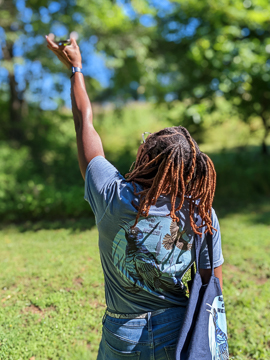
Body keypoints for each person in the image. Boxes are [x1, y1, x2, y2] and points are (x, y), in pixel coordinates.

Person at [46, 35, 224, 360]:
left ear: (147, 159)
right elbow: (212, 287)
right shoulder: (201, 215)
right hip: (179, 331)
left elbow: (83, 120)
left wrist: (76, 69)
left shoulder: (112, 196)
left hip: (121, 336)